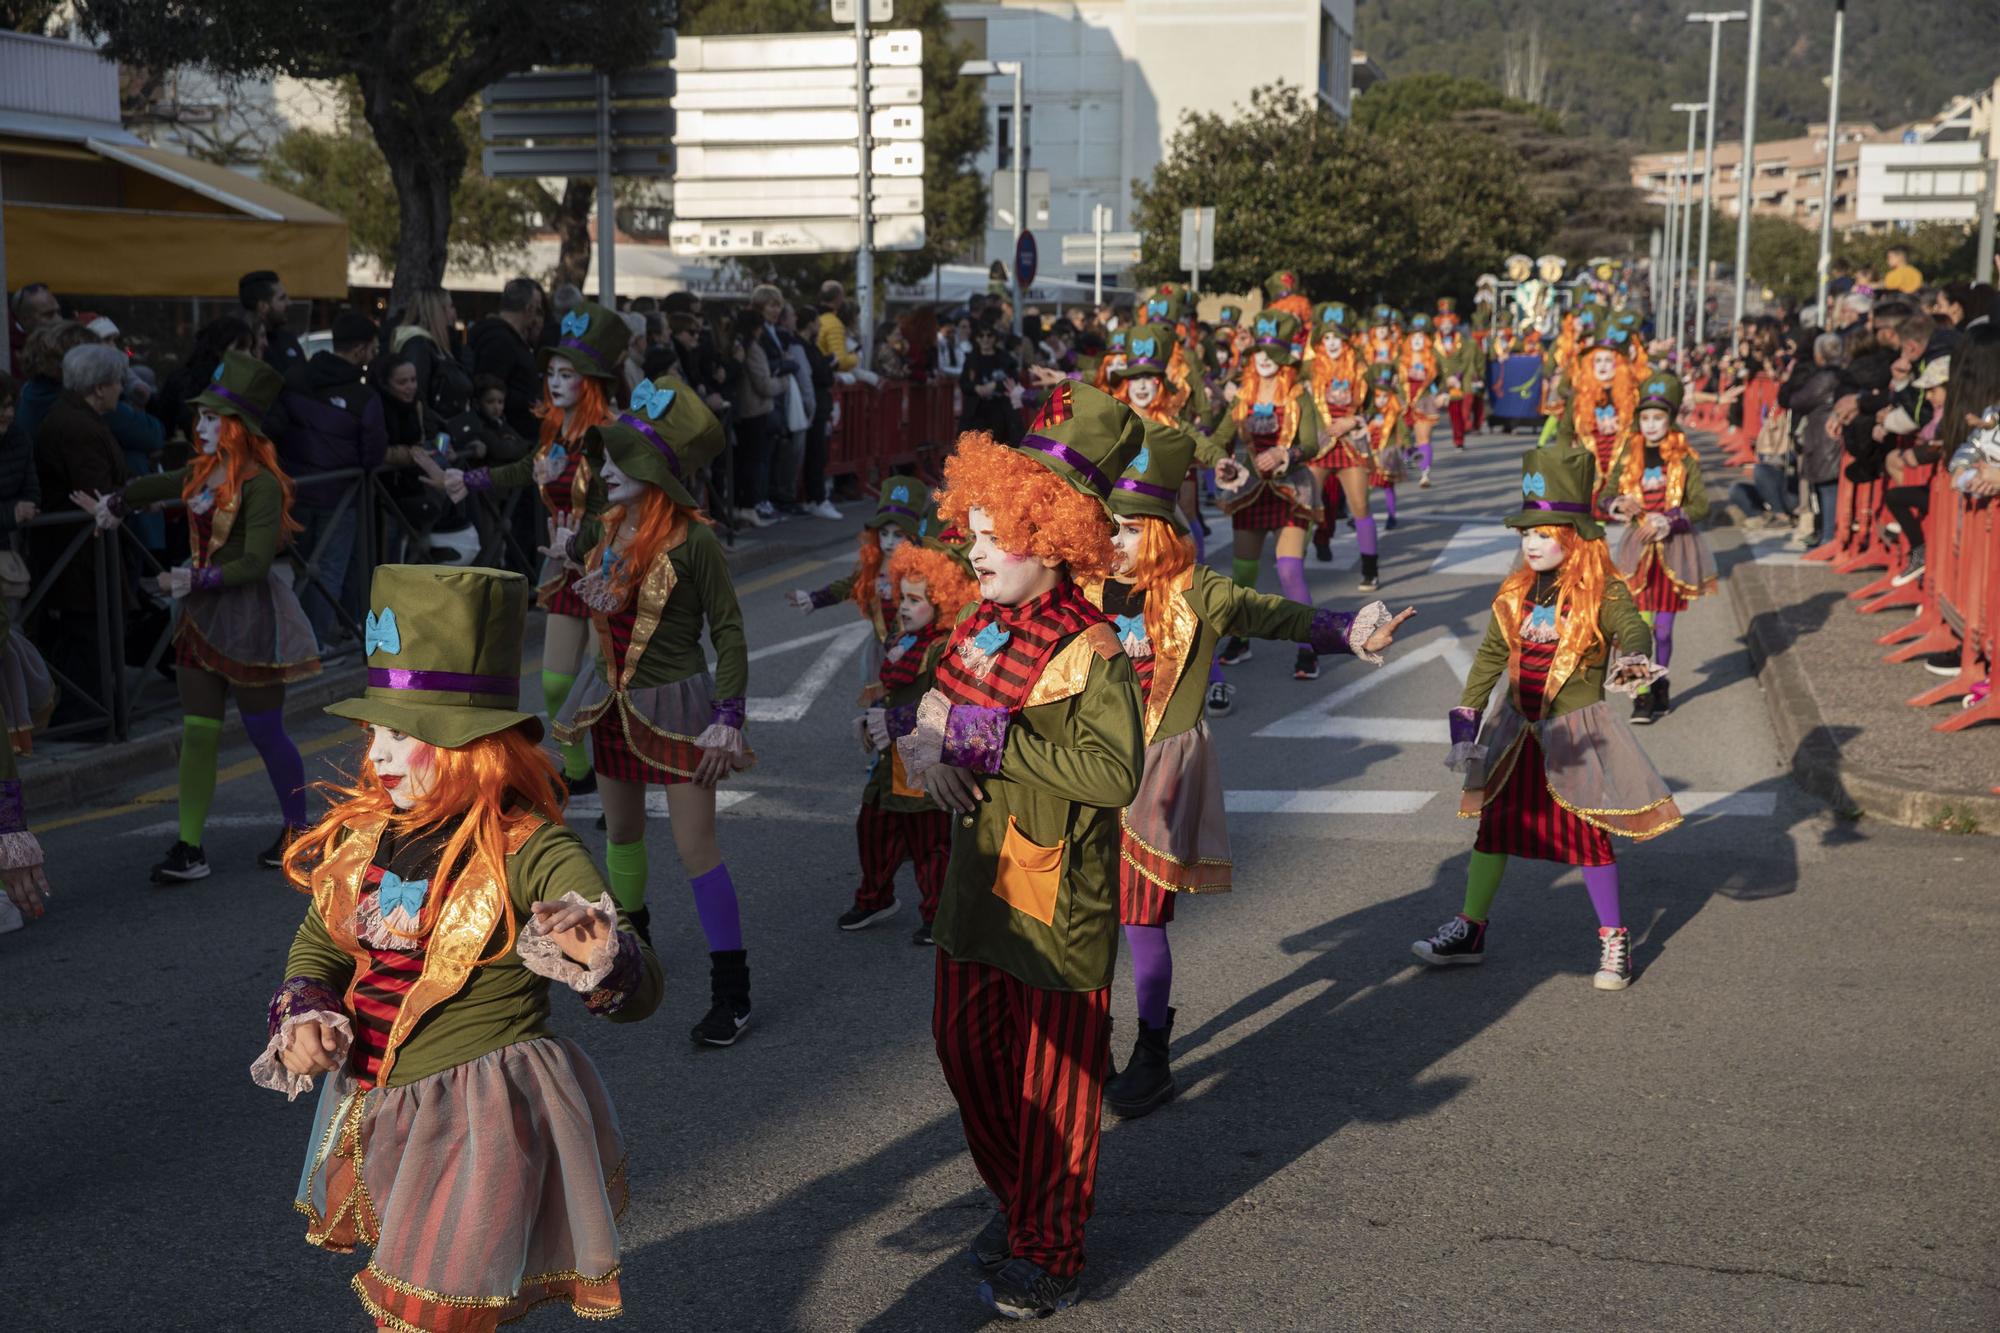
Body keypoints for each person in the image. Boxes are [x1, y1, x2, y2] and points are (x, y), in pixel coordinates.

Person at [255, 562, 662, 1330]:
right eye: (373, 729)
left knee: (423, 1317)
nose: (375, 754)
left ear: (471, 744)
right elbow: (320, 942)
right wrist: (305, 1011)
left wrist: (600, 950)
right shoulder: (372, 834)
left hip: (479, 1122)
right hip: (382, 1108)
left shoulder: (526, 846)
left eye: (402, 734)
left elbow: (639, 988)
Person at [900, 382, 1146, 1319]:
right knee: (963, 1049)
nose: (972, 545)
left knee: (1058, 1086)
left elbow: (1111, 770)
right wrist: (925, 735)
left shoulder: (1094, 645)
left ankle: (1051, 1242)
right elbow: (928, 698)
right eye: (972, 526)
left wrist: (980, 737)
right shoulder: (973, 622)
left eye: (993, 530)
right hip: (973, 886)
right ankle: (1020, 1200)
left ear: (1052, 535)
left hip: (1057, 903)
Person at [1087, 417, 1408, 1118]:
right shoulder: (1077, 586)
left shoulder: (1196, 589)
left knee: (1141, 920)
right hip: (1082, 770)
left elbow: (1273, 614)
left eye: (1133, 527)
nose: (1116, 539)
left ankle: (1151, 1050)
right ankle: (1089, 1043)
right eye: (1109, 524)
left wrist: (1345, 631)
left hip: (1155, 775)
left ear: (1164, 530)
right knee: (1084, 916)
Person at [1415, 446, 1679, 990]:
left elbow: (1632, 626)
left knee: (1589, 837)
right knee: (1495, 830)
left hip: (1575, 734)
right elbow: (1490, 655)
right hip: (1515, 733)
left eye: (1544, 533)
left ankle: (1613, 939)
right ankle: (1471, 928)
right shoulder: (1515, 591)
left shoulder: (1603, 588)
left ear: (1574, 536)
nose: (1531, 543)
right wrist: (1466, 721)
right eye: (1525, 534)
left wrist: (1632, 655)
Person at [546, 374, 758, 1046]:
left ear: (655, 471)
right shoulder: (599, 531)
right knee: (622, 832)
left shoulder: (694, 543)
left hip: (680, 706)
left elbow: (727, 630)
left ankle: (734, 991)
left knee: (696, 847)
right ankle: (630, 958)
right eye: (607, 457)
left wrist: (729, 713)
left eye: (620, 461)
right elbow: (587, 605)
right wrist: (562, 567)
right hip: (611, 702)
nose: (605, 470)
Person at [72, 351, 320, 881]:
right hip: (199, 621)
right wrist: (116, 502)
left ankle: (298, 831)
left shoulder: (261, 484)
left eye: (212, 418)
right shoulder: (199, 474)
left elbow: (254, 564)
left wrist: (190, 579)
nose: (199, 426)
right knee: (199, 732)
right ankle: (189, 847)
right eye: (200, 416)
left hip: (249, 618)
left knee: (265, 732)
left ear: (238, 428)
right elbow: (153, 487)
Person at [446, 301, 629, 799]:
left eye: (567, 373)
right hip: (563, 564)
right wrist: (469, 479)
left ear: (589, 381)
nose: (555, 382)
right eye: (550, 372)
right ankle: (578, 769)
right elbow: (525, 467)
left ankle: (619, 775)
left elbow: (622, 505)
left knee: (604, 681)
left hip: (607, 567)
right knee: (553, 682)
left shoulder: (612, 435)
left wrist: (584, 540)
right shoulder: (555, 432)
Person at [843, 527, 976, 942]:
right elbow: (894, 691)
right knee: (873, 825)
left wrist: (894, 722)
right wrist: (872, 718)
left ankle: (938, 913)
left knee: (928, 842)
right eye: (902, 597)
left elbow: (945, 705)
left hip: (923, 757)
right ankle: (875, 895)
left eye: (915, 600)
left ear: (942, 603)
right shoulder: (906, 640)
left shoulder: (942, 648)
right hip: (891, 760)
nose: (903, 607)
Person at [1194, 311, 1333, 681]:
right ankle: (1240, 640)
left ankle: (1308, 645)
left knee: (1289, 569)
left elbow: (1310, 443)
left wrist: (1287, 454)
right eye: (1258, 351)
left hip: (1291, 489)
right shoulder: (1242, 395)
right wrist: (1219, 459)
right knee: (1243, 575)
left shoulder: (1299, 395)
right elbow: (1222, 438)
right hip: (1251, 490)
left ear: (1285, 356)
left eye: (1271, 350)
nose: (1264, 358)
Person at [1598, 371, 1716, 723]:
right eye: (1646, 418)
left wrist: (1671, 518)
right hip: (1637, 551)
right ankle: (1641, 695)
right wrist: (1618, 503)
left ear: (1670, 419)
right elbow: (1604, 495)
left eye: (1658, 418)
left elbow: (1701, 505)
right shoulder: (1627, 454)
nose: (1651, 426)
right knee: (1639, 626)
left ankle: (1660, 680)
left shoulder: (1685, 458)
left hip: (1673, 550)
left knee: (1663, 629)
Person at [278, 311, 389, 646]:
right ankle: (317, 646)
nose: (374, 354)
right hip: (339, 495)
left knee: (303, 570)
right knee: (329, 570)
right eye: (372, 348)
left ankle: (306, 640)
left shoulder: (295, 378)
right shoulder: (364, 397)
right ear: (360, 350)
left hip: (297, 491)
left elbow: (278, 429)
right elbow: (373, 454)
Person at [32, 342, 130, 718]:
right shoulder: (77, 426)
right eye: (117, 381)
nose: (122, 387)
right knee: (87, 633)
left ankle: (97, 711)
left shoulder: (77, 418)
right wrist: (126, 499)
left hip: (80, 552)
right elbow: (97, 491)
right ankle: (93, 715)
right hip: (80, 552)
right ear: (100, 386)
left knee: (88, 633)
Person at [787, 476, 930, 685]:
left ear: (913, 537)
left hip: (915, 652)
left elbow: (935, 619)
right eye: (884, 533)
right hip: (881, 651)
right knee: (877, 705)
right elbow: (849, 585)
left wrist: (907, 645)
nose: (889, 542)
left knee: (908, 709)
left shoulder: (926, 571)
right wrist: (813, 598)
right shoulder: (875, 568)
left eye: (898, 535)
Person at [1304, 302, 1380, 588]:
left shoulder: (1362, 369)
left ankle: (1370, 569)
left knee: (1360, 505)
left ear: (1346, 339)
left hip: (1350, 444)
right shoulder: (1308, 369)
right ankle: (1297, 562)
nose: (1332, 342)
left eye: (1337, 337)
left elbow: (1372, 408)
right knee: (1306, 505)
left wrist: (1354, 420)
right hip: (1319, 443)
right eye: (1327, 337)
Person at [467, 277, 548, 442]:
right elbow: (488, 388)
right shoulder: (500, 341)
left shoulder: (508, 339)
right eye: (537, 309)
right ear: (529, 309)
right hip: (510, 440)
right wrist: (530, 402)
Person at [153, 314, 255, 443]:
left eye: (250, 349)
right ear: (219, 351)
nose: (249, 356)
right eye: (241, 348)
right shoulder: (188, 383)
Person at [389, 287, 473, 420]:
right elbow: (416, 396)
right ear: (437, 311)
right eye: (450, 306)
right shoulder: (418, 345)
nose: (454, 312)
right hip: (437, 434)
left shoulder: (435, 346)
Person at [959, 321, 1022, 444]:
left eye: (989, 336)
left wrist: (995, 385)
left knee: (998, 446)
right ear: (977, 338)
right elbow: (963, 383)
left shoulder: (1005, 359)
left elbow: (1014, 380)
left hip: (1000, 412)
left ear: (994, 338)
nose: (985, 339)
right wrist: (976, 388)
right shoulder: (971, 358)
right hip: (976, 411)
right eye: (981, 336)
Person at [240, 269, 304, 373]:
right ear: (263, 306)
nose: (289, 303)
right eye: (282, 298)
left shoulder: (288, 339)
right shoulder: (240, 345)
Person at [8, 282, 60, 380]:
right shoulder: (7, 349)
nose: (58, 320)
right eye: (49, 315)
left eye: (58, 312)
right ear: (24, 319)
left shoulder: (60, 340)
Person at [817, 280, 858, 373]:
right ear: (838, 298)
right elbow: (840, 362)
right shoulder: (834, 324)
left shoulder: (813, 318)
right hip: (826, 376)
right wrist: (855, 357)